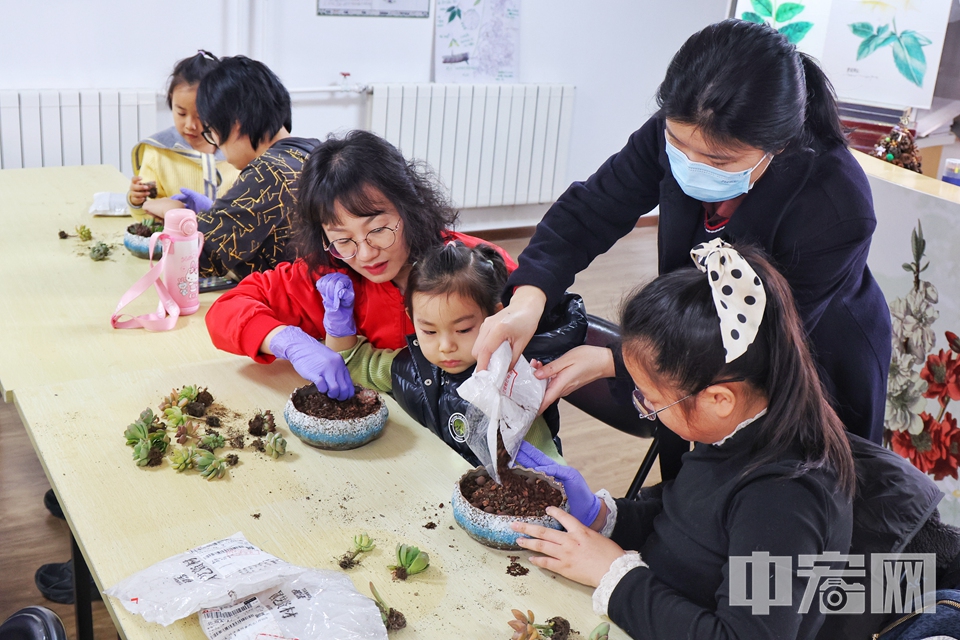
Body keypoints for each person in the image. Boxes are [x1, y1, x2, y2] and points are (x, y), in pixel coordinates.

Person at [472, 19, 891, 481]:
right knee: (688, 485)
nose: (691, 165)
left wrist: (619, 360)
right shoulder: (682, 128)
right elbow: (591, 210)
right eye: (677, 145)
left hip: (804, 354)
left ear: (778, 145)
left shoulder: (835, 203)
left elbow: (754, 343)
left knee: (780, 494)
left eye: (718, 162)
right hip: (691, 343)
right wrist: (528, 299)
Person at [510, 240, 856, 638]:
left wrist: (615, 575)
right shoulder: (733, 428)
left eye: (652, 402)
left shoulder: (785, 502)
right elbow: (680, 523)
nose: (644, 409)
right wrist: (603, 517)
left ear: (719, 399)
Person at [206, 131, 549, 403]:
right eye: (343, 239)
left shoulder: (474, 266)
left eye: (378, 231)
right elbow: (226, 310)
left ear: (409, 207)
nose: (366, 254)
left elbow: (539, 348)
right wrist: (287, 340)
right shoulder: (328, 274)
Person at [317, 240, 584, 465]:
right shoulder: (409, 367)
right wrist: (338, 324)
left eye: (464, 329)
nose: (446, 346)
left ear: (496, 314)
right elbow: (353, 364)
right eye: (430, 332)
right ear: (412, 318)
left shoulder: (510, 389)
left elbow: (548, 471)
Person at [143, 55, 318, 279]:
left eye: (212, 132)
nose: (216, 144)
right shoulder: (311, 151)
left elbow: (197, 261)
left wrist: (174, 216)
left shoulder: (268, 173)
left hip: (286, 307)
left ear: (236, 122)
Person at [126, 50, 240, 221]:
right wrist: (137, 201)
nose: (190, 125)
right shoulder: (158, 153)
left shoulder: (239, 151)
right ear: (171, 100)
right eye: (181, 113)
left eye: (202, 116)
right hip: (176, 244)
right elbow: (148, 217)